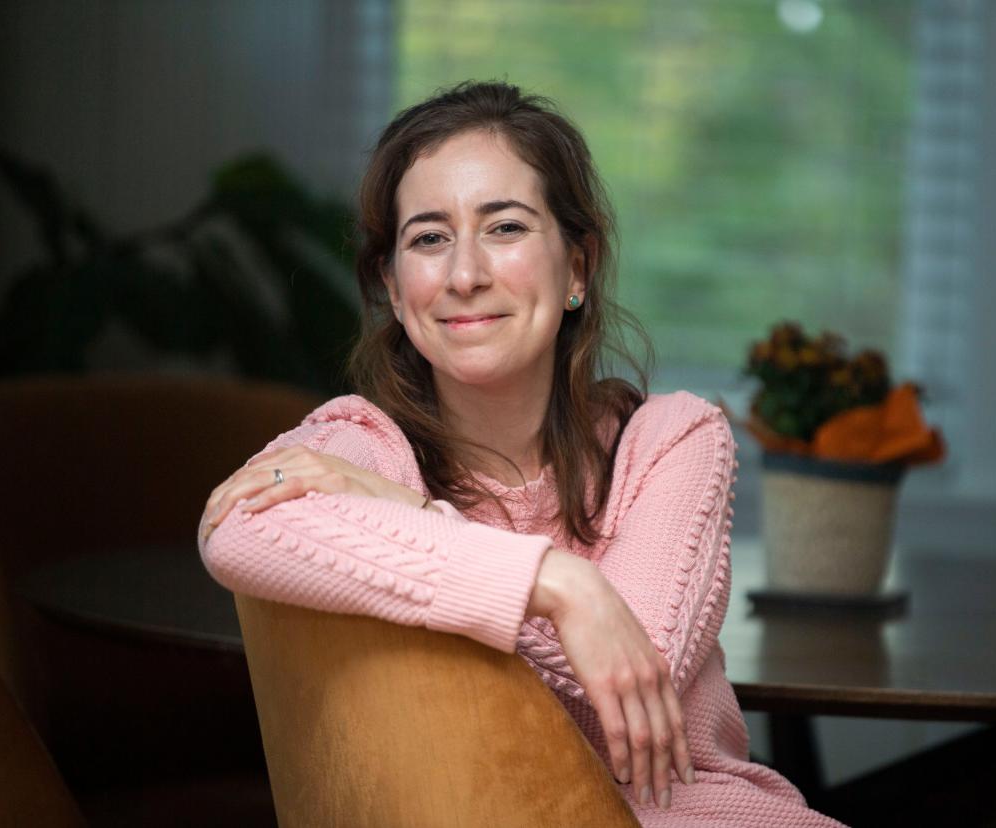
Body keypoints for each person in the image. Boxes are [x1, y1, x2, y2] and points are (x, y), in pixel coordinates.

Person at [198, 81, 843, 828]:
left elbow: (636, 670)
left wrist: (411, 518)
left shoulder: (671, 438)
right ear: (394, 288)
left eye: (504, 228)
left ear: (577, 267)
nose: (465, 274)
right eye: (429, 239)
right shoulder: (364, 445)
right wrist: (562, 585)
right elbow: (239, 530)